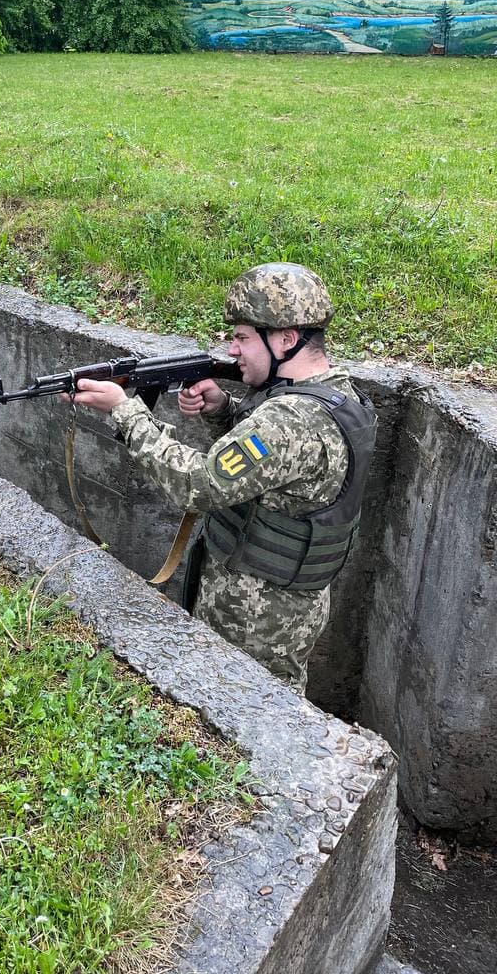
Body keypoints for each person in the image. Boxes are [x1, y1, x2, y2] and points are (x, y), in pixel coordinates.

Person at [67, 263, 376, 694]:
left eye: (243, 337)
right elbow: (278, 472)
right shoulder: (336, 394)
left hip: (257, 617)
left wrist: (126, 412)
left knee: (253, 717)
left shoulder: (289, 419)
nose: (232, 350)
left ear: (286, 339)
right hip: (274, 602)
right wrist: (224, 411)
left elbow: (197, 484)